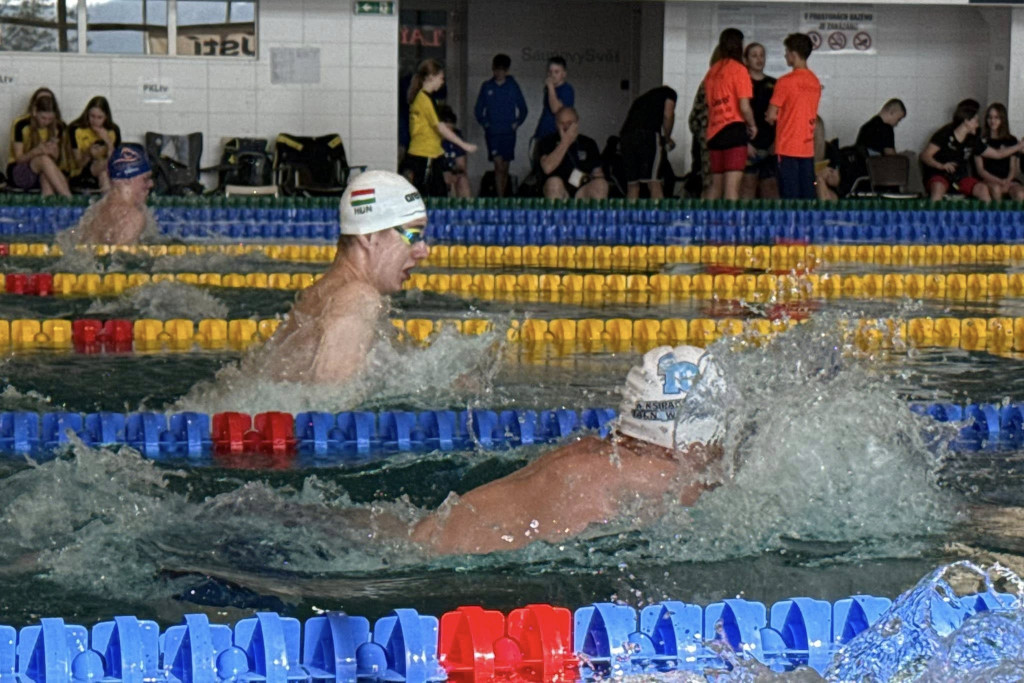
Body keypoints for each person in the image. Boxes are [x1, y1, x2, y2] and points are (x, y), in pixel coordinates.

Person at [410, 345, 726, 555]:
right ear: (696, 439)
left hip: (423, 538)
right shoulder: (658, 475)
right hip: (432, 557)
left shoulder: (592, 451)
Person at [259, 171, 430, 384]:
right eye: (413, 235)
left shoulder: (320, 294)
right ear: (369, 236)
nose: (423, 251)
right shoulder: (357, 298)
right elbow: (329, 406)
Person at [920, 99, 1024, 203]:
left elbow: (997, 154)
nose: (978, 125)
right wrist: (941, 166)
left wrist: (1019, 146)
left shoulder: (973, 139)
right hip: (939, 174)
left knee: (982, 190)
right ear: (966, 121)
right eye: (976, 121)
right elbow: (925, 156)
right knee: (938, 188)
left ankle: (987, 218)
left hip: (959, 178)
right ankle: (935, 217)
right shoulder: (945, 133)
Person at [400, 59, 476, 198]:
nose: (442, 82)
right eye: (441, 78)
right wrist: (463, 144)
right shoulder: (424, 100)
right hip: (425, 154)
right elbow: (441, 128)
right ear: (431, 77)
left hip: (432, 153)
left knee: (438, 192)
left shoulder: (425, 98)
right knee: (427, 194)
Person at [703, 28, 756, 200]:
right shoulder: (739, 70)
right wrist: (752, 125)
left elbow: (709, 104)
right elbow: (744, 106)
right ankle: (730, 226)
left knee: (716, 186)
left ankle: (707, 223)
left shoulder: (712, 71)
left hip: (714, 133)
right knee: (732, 188)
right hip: (734, 131)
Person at [766, 33, 821, 200]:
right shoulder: (815, 81)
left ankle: (790, 227)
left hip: (788, 147)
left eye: (786, 51)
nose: (785, 55)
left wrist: (771, 117)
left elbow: (771, 114)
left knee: (790, 197)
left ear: (793, 54)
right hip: (806, 148)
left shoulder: (785, 82)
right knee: (807, 197)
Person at [71, 144, 154, 245]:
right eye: (145, 179)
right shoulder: (132, 217)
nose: (151, 184)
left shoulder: (98, 210)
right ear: (127, 180)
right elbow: (120, 259)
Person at [474, 53, 528, 198]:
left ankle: (503, 197)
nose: (498, 73)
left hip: (508, 133)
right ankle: (499, 199)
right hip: (493, 133)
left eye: (502, 70)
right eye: (496, 69)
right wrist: (486, 124)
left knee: (505, 167)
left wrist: (517, 123)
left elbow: (523, 108)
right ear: (493, 69)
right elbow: (478, 110)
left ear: (507, 70)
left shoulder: (512, 86)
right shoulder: (487, 86)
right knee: (498, 166)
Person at [7, 87, 71, 197]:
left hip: (45, 170)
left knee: (45, 176)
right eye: (43, 118)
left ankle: (50, 208)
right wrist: (37, 151)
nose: (46, 122)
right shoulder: (21, 125)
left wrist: (53, 151)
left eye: (50, 119)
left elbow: (57, 160)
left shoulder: (57, 127)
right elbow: (19, 158)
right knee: (43, 159)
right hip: (20, 171)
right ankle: (68, 199)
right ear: (35, 111)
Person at [619, 85, 677, 200]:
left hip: (626, 136)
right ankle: (657, 217)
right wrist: (667, 138)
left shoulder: (642, 100)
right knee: (654, 182)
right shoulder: (670, 93)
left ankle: (631, 216)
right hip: (647, 136)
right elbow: (668, 115)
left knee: (633, 185)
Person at [537, 107, 608, 200]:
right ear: (556, 124)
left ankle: (595, 213)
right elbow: (547, 168)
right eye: (562, 123)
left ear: (577, 123)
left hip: (582, 189)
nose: (566, 127)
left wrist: (599, 184)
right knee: (554, 184)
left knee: (601, 185)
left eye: (569, 123)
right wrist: (565, 142)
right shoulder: (547, 141)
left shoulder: (588, 143)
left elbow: (598, 173)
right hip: (557, 188)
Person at [740, 42, 778, 199]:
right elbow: (738, 115)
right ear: (746, 60)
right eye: (754, 55)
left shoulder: (774, 84)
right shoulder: (742, 83)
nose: (759, 59)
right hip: (749, 145)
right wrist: (744, 143)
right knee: (748, 188)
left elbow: (781, 116)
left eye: (762, 55)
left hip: (769, 145)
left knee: (771, 190)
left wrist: (777, 142)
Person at [67, 95, 120, 193]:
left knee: (104, 175)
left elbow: (114, 157)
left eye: (99, 117)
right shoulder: (76, 129)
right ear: (87, 114)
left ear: (106, 117)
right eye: (92, 116)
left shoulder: (112, 131)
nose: (95, 121)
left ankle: (107, 203)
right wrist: (88, 153)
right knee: (110, 165)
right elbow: (78, 164)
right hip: (81, 171)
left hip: (104, 169)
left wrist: (108, 141)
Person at [975, 103, 1024, 202]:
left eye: (996, 118)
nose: (992, 121)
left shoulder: (1011, 140)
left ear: (1002, 119)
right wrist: (999, 181)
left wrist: (1007, 181)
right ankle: (998, 216)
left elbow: (1013, 167)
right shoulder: (980, 140)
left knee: (1020, 194)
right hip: (989, 180)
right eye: (990, 117)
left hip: (1009, 180)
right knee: (996, 189)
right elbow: (981, 170)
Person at [532, 56, 574, 149]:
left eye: (556, 72)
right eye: (550, 72)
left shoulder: (567, 90)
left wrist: (551, 87)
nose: (553, 75)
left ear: (564, 74)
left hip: (555, 134)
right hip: (543, 132)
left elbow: (555, 109)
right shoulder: (548, 89)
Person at [438, 106, 472, 199]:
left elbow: (461, 165)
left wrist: (454, 174)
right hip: (436, 176)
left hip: (452, 174)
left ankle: (465, 212)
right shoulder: (432, 140)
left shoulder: (457, 139)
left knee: (463, 181)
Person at [814, 117, 841, 201]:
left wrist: (828, 174)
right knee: (818, 181)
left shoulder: (829, 148)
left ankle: (825, 212)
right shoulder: (796, 148)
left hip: (821, 184)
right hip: (804, 182)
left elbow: (836, 181)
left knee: (820, 181)